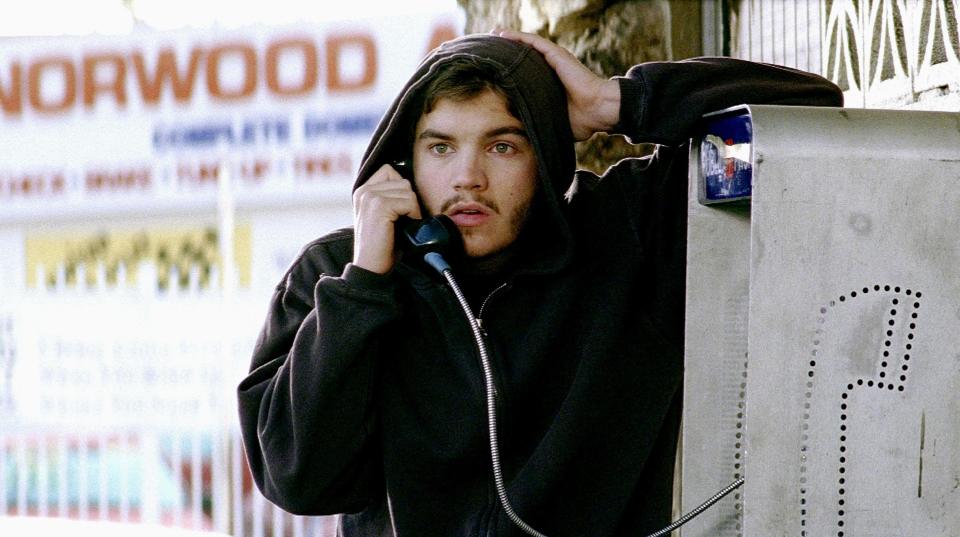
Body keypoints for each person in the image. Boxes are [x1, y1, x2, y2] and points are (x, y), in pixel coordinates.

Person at [237, 30, 843, 537]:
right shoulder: (339, 278)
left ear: (548, 155)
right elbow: (298, 478)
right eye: (441, 147)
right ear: (404, 162)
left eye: (503, 146)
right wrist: (363, 291)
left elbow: (810, 116)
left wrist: (618, 104)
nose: (467, 178)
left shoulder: (624, 238)